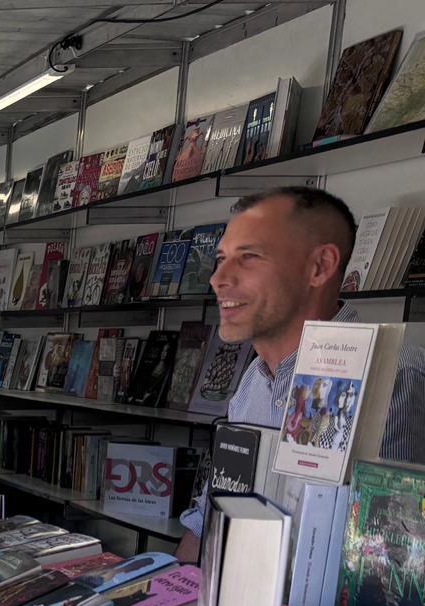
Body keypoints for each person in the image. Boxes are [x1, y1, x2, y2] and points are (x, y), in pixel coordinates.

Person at [179, 186, 425, 559]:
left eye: (248, 257)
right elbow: (212, 514)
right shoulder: (253, 380)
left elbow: (392, 563)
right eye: (221, 258)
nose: (218, 278)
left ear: (320, 267)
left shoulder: (392, 380)